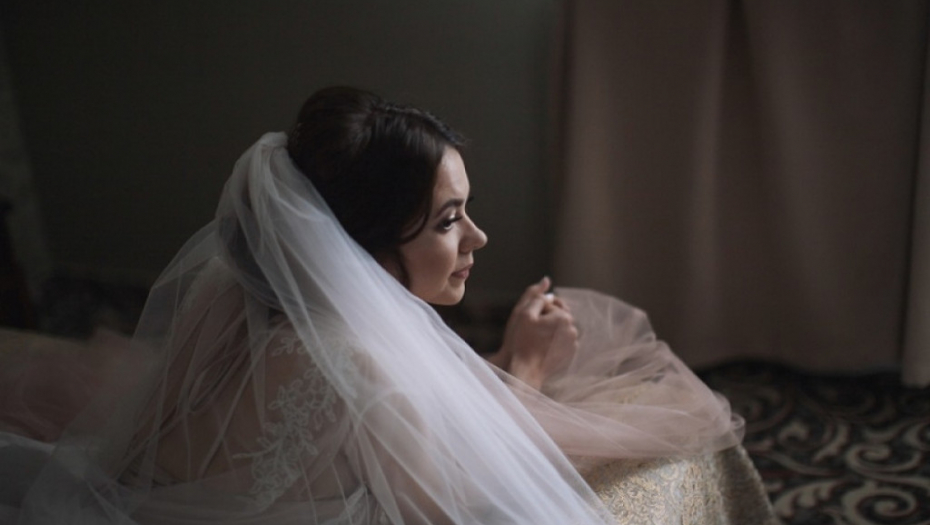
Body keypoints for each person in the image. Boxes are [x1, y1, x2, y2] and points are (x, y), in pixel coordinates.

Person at [0, 87, 774, 524]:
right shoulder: (367, 371)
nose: (477, 237)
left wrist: (505, 358)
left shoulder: (238, 296)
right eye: (447, 220)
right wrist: (529, 370)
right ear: (356, 243)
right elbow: (475, 499)